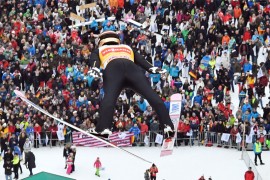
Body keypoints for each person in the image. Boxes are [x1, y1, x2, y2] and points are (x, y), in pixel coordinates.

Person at [88, 31, 174, 138]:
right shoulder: (126, 47)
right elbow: (140, 59)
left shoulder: (99, 49)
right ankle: (167, 125)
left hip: (113, 68)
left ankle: (103, 128)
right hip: (132, 68)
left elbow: (94, 60)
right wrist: (150, 67)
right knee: (151, 95)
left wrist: (95, 68)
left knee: (109, 99)